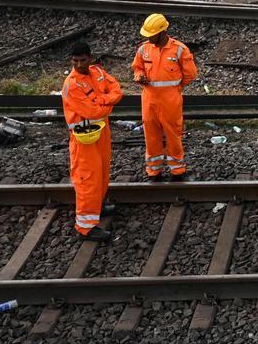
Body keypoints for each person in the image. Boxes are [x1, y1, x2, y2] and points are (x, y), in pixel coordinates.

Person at [61, 41, 123, 242]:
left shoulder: (97, 71)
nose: (79, 64)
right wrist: (106, 103)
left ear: (90, 58)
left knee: (103, 171)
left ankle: (98, 207)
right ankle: (85, 227)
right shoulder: (72, 85)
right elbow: (91, 111)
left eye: (83, 60)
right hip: (83, 138)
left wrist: (101, 100)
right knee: (87, 179)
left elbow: (117, 90)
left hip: (100, 132)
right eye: (75, 60)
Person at [132, 14, 197, 181]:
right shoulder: (143, 49)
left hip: (170, 101)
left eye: (150, 34)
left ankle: (177, 170)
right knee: (151, 135)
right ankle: (154, 171)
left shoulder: (179, 49)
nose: (147, 37)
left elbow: (190, 74)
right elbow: (137, 68)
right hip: (149, 100)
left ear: (162, 32)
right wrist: (139, 76)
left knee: (173, 135)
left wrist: (175, 89)